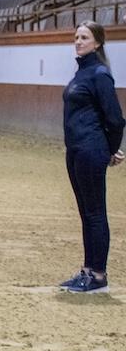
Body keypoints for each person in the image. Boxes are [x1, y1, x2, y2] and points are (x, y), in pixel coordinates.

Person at [59, 21, 125, 293]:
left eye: (84, 37)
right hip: (76, 149)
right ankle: (87, 270)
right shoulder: (81, 73)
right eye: (76, 37)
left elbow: (115, 119)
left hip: (90, 149)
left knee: (95, 213)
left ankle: (98, 275)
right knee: (86, 213)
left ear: (97, 42)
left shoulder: (99, 74)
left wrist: (110, 149)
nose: (78, 41)